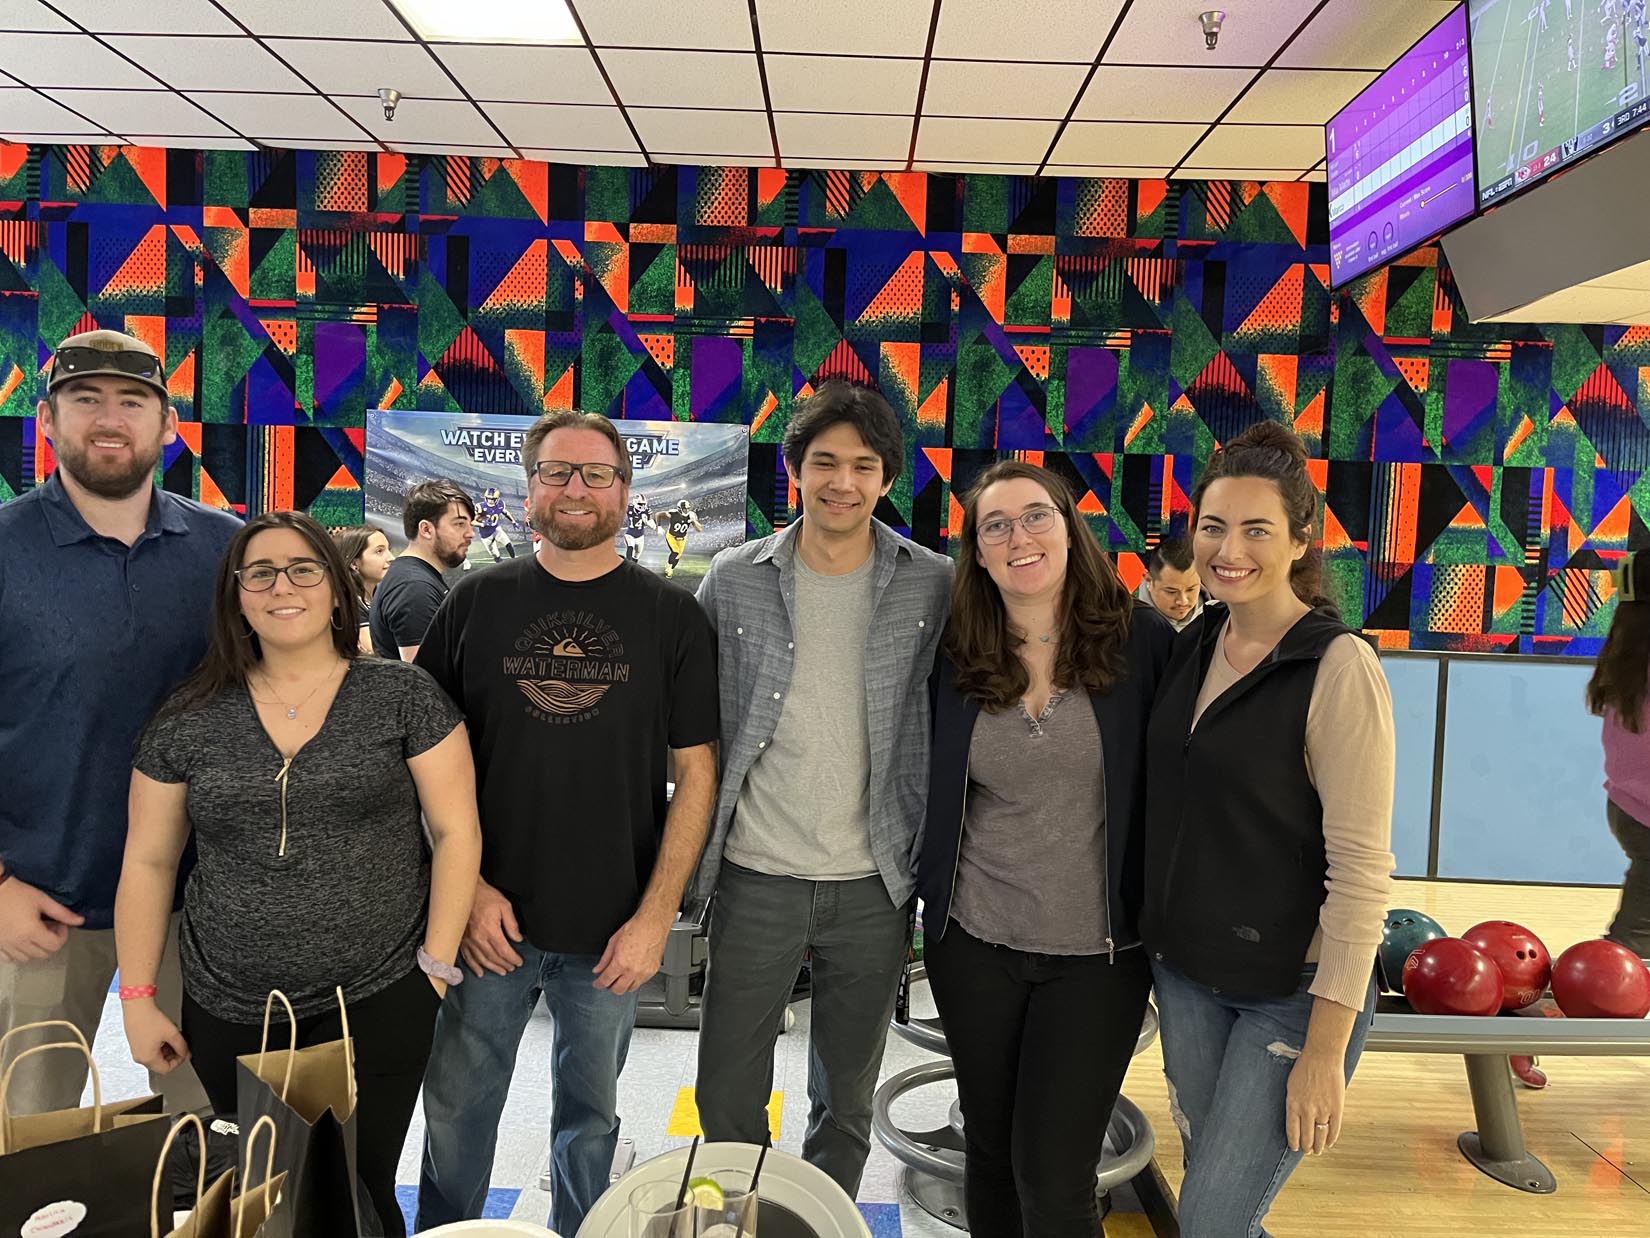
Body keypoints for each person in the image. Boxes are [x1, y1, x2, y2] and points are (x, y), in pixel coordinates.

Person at [116, 510, 481, 1238]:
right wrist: (137, 998)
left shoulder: (402, 697)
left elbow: (456, 833)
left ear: (338, 590)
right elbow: (149, 860)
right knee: (262, 1195)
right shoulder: (188, 715)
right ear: (236, 596)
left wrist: (435, 971)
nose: (282, 587)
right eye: (260, 573)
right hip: (229, 1000)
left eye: (303, 569)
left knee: (359, 1193)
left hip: (378, 994)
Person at [415, 410, 719, 1237]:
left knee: (590, 1123)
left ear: (625, 490)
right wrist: (467, 890)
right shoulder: (475, 601)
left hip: (613, 927)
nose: (575, 489)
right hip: (485, 920)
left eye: (594, 473)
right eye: (556, 472)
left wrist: (657, 919)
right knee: (457, 1110)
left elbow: (698, 774)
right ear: (529, 489)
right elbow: (419, 757)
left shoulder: (672, 615)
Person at [693, 381, 953, 1197]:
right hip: (755, 872)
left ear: (887, 479)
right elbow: (690, 719)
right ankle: (745, 1207)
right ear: (795, 471)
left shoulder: (933, 582)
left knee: (845, 1096)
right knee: (727, 1086)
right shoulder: (733, 577)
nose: (843, 482)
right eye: (826, 462)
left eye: (864, 466)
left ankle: (821, 1213)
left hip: (876, 881)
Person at [1140, 421, 1396, 1237]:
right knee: (1223, 1207)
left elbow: (1362, 871)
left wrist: (1324, 1051)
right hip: (1188, 975)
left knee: (1211, 1218)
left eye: (1256, 530)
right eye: (1213, 527)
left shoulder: (1338, 666)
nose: (1229, 550)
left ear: (1300, 541)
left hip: (1293, 993)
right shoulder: (1193, 645)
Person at [917, 461, 1172, 1237]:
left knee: (1055, 1177)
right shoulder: (957, 649)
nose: (1017, 536)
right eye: (995, 526)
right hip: (974, 946)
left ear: (1068, 528)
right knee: (990, 1156)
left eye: (1035, 516)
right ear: (978, 552)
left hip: (1098, 957)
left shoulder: (1142, 643)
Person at [0, 328, 238, 1117]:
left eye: (133, 401)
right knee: (26, 1142)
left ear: (167, 425)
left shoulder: (227, 551)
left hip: (196, 905)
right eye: (86, 399)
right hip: (40, 905)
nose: (110, 419)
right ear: (46, 419)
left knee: (207, 1135)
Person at [1586, 549, 1650, 958]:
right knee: (1632, 940)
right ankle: (1602, 974)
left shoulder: (1625, 654)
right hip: (1645, 813)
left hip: (1627, 807)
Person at [369, 479, 474, 661]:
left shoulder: (414, 578)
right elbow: (422, 673)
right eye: (459, 524)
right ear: (426, 529)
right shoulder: (414, 588)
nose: (470, 533)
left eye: (470, 524)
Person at [334, 523, 394, 654]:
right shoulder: (349, 603)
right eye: (379, 551)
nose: (391, 558)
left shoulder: (378, 597)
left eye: (389, 549)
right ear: (354, 563)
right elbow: (373, 651)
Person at [1141, 537, 1204, 631]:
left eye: (1191, 589)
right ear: (1149, 580)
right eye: (1171, 592)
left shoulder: (1222, 616)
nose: (1183, 601)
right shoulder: (1126, 624)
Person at [474, 485, 522, 564]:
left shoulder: (500, 504)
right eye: (488, 498)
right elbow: (473, 522)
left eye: (492, 499)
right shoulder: (480, 507)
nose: (490, 501)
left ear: (497, 499)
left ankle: (515, 560)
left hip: (496, 529)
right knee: (496, 555)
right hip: (486, 535)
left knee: (508, 543)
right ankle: (502, 567)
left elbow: (505, 512)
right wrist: (482, 524)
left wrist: (513, 521)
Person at [661, 496, 703, 579]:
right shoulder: (673, 513)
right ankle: (669, 568)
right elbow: (661, 514)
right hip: (671, 536)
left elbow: (699, 529)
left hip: (682, 538)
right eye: (684, 509)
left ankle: (671, 568)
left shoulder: (691, 515)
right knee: (675, 552)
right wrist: (658, 526)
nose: (686, 511)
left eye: (688, 509)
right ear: (680, 509)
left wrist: (693, 521)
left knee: (678, 555)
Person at [623, 491, 657, 562]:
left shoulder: (647, 511)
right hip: (630, 534)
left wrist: (647, 522)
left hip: (640, 536)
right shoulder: (629, 508)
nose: (642, 506)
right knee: (630, 547)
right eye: (640, 504)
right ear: (635, 503)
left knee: (637, 555)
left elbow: (653, 526)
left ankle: (633, 567)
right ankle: (627, 565)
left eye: (644, 504)